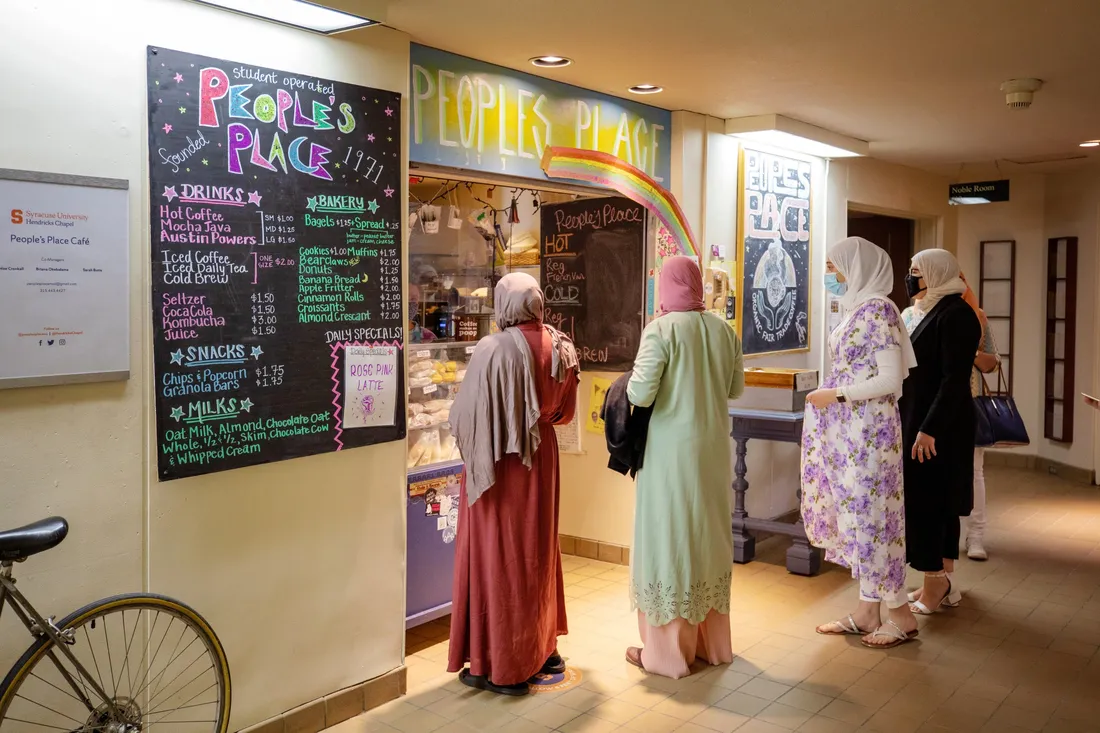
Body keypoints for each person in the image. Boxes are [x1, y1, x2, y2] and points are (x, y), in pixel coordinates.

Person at [447, 273, 580, 695]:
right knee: (537, 552)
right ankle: (543, 647)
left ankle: (504, 664)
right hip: (542, 458)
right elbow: (566, 414)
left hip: (502, 465)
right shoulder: (562, 345)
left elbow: (464, 417)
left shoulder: (493, 348)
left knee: (500, 556)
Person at [625, 256, 745, 679]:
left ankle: (667, 654)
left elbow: (640, 394)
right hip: (712, 452)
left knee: (669, 538)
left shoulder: (660, 329)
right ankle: (712, 647)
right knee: (706, 537)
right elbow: (735, 387)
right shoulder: (723, 330)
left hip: (669, 455)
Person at [800, 237, 919, 649]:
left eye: (836, 267)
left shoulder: (879, 311)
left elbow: (889, 379)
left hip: (870, 434)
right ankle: (869, 611)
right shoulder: (856, 310)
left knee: (875, 518)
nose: (831, 276)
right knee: (857, 517)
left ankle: (901, 615)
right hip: (852, 433)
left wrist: (836, 395)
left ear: (858, 267)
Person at [898, 250, 981, 616]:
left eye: (917, 271)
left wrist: (929, 429)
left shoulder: (957, 314)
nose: (912, 277)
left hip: (940, 426)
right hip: (922, 419)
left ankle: (935, 583)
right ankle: (940, 581)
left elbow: (954, 380)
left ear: (936, 273)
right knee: (934, 500)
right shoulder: (930, 310)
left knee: (931, 502)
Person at [962, 274, 1000, 561]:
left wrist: (967, 351)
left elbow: (991, 363)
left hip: (969, 403)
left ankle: (976, 537)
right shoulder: (914, 313)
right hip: (928, 406)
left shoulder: (978, 317)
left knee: (974, 472)